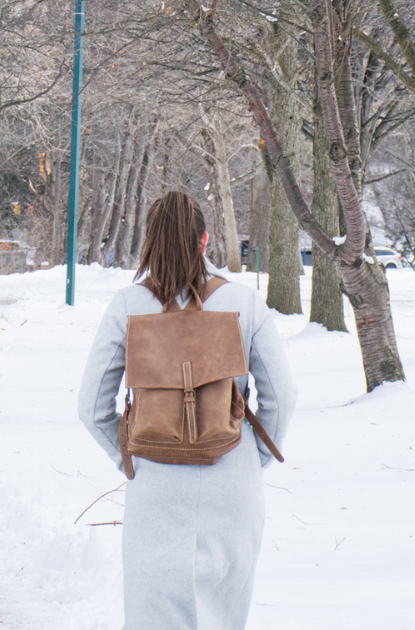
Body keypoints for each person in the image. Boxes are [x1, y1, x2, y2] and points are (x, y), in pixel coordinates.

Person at [78, 191, 297, 629]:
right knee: (223, 616)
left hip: (157, 488)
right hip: (232, 485)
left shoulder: (128, 305)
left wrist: (128, 458)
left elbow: (91, 406)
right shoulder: (245, 303)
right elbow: (282, 395)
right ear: (205, 240)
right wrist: (250, 459)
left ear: (150, 243)